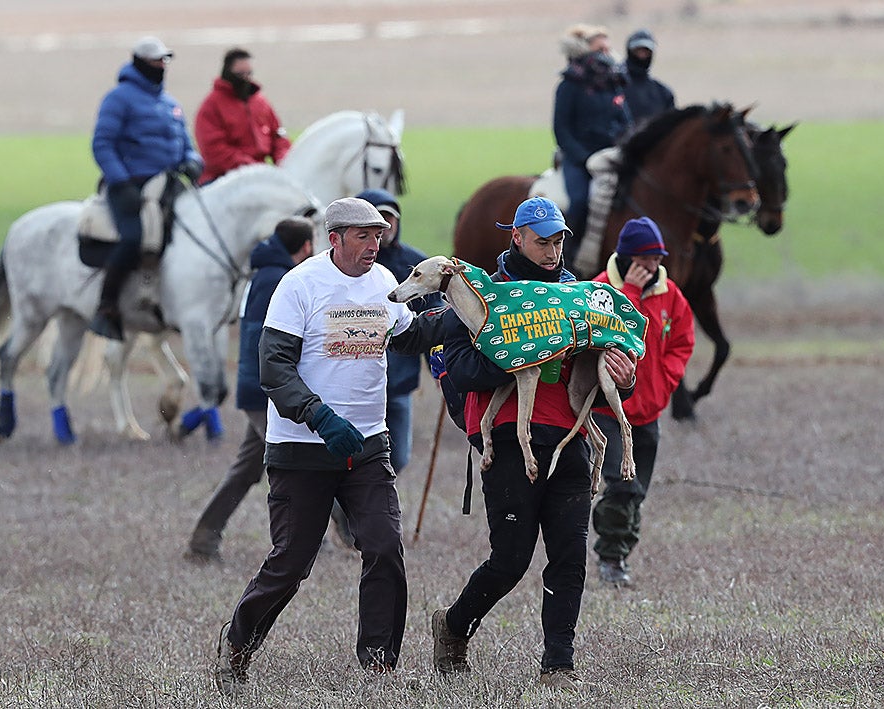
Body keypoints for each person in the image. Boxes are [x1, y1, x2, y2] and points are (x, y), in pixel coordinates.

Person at [214, 198, 444, 696]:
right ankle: (236, 645)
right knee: (292, 563)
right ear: (334, 238)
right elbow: (274, 367)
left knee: (383, 547)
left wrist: (463, 315)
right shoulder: (299, 285)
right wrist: (319, 416)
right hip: (301, 450)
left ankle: (379, 663)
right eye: (363, 235)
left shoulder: (384, 282)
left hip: (367, 447)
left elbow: (409, 336)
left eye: (378, 235)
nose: (374, 244)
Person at [432, 196, 637, 692]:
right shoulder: (481, 297)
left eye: (559, 241)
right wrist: (522, 348)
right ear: (517, 238)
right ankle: (453, 626)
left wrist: (623, 378)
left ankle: (558, 665)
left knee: (569, 557)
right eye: (543, 242)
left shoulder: (578, 297)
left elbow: (598, 380)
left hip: (570, 440)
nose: (553, 251)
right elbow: (459, 370)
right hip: (508, 440)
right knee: (510, 560)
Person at [185, 217, 314, 563]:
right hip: (267, 391)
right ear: (305, 246)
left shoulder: (266, 275)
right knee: (304, 460)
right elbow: (266, 343)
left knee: (246, 469)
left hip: (263, 388)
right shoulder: (277, 280)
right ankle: (343, 537)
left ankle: (203, 538)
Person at [590, 217, 694, 587]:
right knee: (623, 485)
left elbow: (682, 342)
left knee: (637, 493)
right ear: (627, 258)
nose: (652, 266)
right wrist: (631, 293)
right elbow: (616, 331)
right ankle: (611, 558)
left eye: (657, 258)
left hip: (648, 412)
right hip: (607, 411)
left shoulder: (670, 294)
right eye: (645, 259)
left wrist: (665, 384)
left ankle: (617, 554)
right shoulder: (601, 291)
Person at [89, 36, 203, 341]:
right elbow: (102, 144)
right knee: (133, 237)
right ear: (141, 62)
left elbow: (187, 146)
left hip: (169, 184)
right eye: (157, 60)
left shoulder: (170, 104)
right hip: (131, 185)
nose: (162, 66)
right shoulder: (118, 99)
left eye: (165, 60)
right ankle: (107, 305)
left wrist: (193, 163)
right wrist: (121, 181)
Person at [356, 187, 442, 473]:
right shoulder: (349, 267)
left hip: (398, 381)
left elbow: (434, 321)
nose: (387, 225)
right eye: (379, 219)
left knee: (398, 458)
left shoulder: (416, 265)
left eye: (391, 218)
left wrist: (440, 368)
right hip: (357, 384)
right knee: (356, 459)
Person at [577, 29, 677, 269]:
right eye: (638, 50)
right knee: (589, 200)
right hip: (614, 158)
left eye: (646, 51)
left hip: (652, 166)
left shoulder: (662, 93)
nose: (642, 55)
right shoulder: (613, 86)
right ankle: (583, 256)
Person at [552, 24, 630, 270]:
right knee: (578, 202)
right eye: (600, 49)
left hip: (611, 157)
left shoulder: (614, 82)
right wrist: (583, 158)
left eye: (607, 48)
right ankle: (569, 259)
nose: (606, 54)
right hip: (579, 160)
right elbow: (561, 129)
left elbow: (625, 121)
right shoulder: (569, 85)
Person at [194, 47, 291, 185]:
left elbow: (279, 137)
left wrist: (283, 160)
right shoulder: (211, 106)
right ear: (227, 72)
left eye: (249, 73)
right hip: (224, 178)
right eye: (240, 74)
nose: (246, 78)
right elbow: (214, 150)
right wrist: (251, 168)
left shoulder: (260, 102)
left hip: (262, 174)